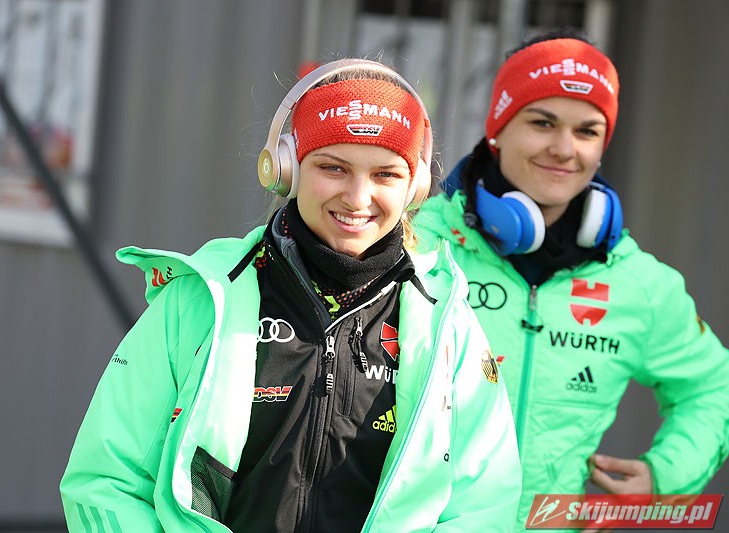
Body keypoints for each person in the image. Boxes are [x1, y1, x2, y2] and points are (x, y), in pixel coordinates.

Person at [60, 58, 522, 532]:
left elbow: (483, 507)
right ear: (287, 169)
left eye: (385, 174)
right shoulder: (201, 301)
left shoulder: (446, 323)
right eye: (334, 168)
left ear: (415, 186)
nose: (358, 198)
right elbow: (107, 481)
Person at [413, 30, 729, 531]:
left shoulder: (637, 283)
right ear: (497, 129)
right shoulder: (416, 246)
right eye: (542, 122)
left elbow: (714, 387)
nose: (564, 149)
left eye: (587, 131)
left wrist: (665, 474)